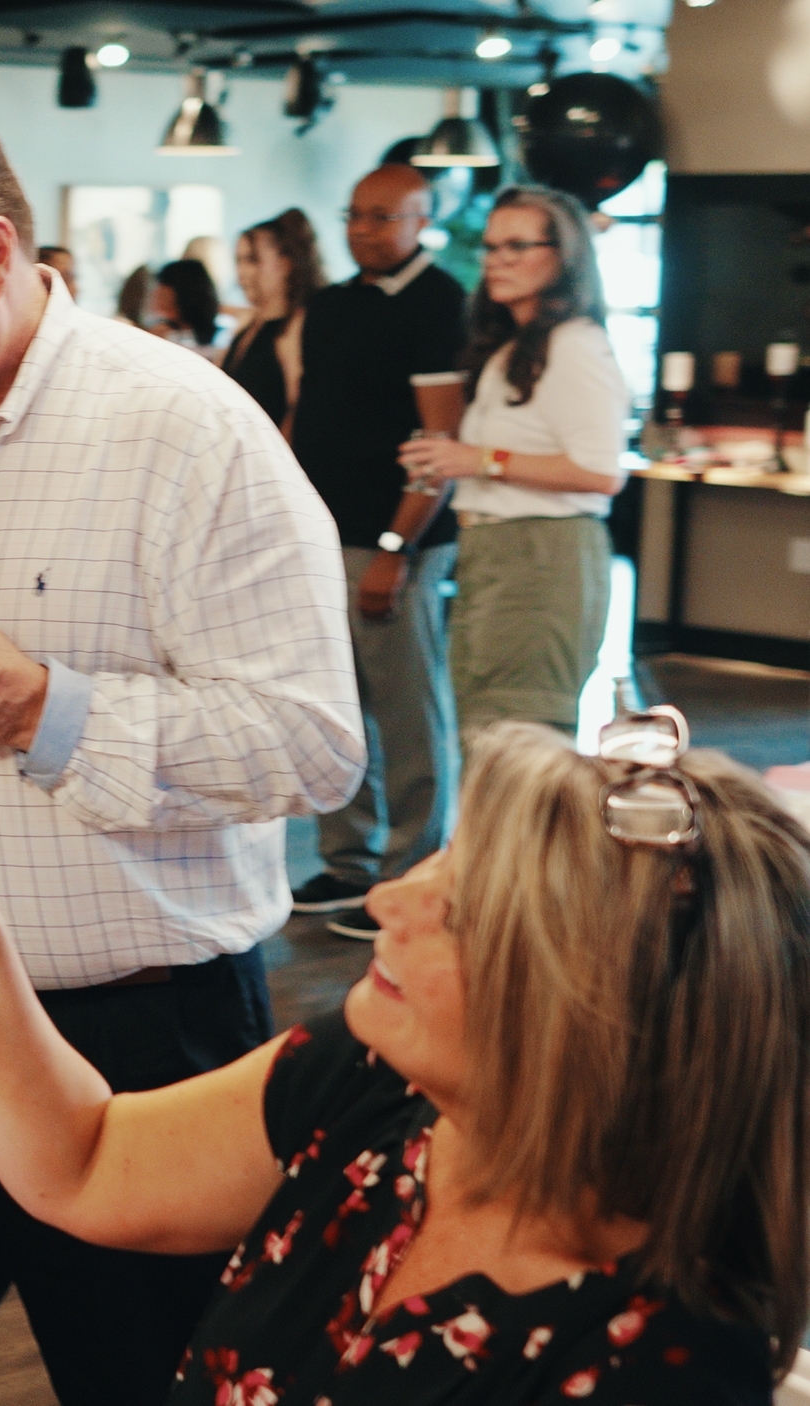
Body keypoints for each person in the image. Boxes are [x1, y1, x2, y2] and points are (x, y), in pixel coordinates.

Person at [0, 87, 363, 1406]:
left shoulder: (186, 430)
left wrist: (47, 711)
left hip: (141, 1027)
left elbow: (315, 747)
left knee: (151, 1377)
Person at [0, 706, 804, 1404]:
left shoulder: (658, 1354)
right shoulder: (373, 1083)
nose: (384, 902)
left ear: (584, 1014)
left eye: (459, 914)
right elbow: (89, 1159)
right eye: (427, 863)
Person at [288, 165, 472, 941]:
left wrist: (399, 545)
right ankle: (348, 861)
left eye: (383, 217)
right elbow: (308, 417)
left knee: (407, 715)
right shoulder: (330, 304)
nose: (364, 229)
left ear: (421, 220)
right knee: (338, 708)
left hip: (397, 539)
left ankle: (412, 872)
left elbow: (441, 442)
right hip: (324, 535)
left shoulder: (439, 303)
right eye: (355, 215)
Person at [400, 186, 628, 740]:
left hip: (543, 555)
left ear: (563, 255)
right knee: (484, 733)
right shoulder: (515, 345)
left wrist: (479, 458)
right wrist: (452, 461)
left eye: (517, 246)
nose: (496, 261)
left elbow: (601, 473)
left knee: (516, 744)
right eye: (491, 247)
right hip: (498, 551)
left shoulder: (575, 344)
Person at [223, 210, 327, 428]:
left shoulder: (296, 328)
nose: (242, 272)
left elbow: (295, 410)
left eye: (252, 260)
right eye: (238, 261)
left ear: (286, 263)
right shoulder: (248, 324)